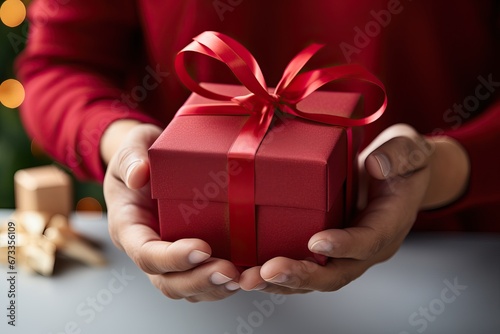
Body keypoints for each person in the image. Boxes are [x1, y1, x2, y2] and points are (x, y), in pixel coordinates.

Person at [17, 0, 500, 302]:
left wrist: (449, 167)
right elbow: (58, 64)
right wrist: (120, 143)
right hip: (179, 281)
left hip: (457, 269)